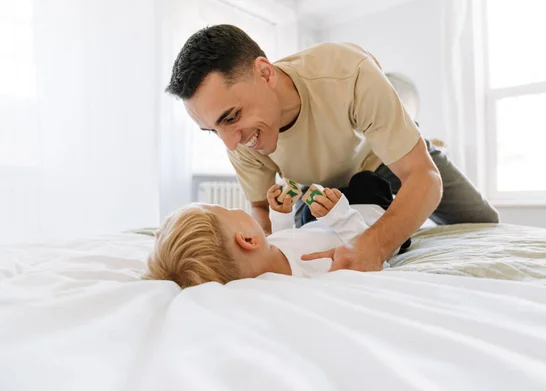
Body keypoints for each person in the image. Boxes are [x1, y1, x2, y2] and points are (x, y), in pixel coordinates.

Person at [165, 24, 499, 273]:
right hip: (318, 192)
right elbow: (261, 213)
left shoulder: (346, 71)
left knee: (483, 221)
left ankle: (404, 119)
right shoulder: (238, 138)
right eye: (213, 130)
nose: (230, 143)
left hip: (382, 157)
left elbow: (423, 177)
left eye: (232, 117)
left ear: (265, 73)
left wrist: (371, 246)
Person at [145, 172, 408, 288]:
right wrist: (340, 216)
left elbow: (286, 237)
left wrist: (281, 213)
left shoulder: (268, 255)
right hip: (374, 221)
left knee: (309, 200)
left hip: (320, 225)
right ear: (247, 240)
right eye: (228, 210)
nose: (238, 210)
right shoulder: (314, 267)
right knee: (365, 181)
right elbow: (371, 258)